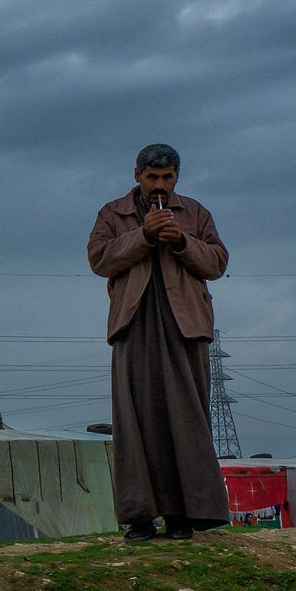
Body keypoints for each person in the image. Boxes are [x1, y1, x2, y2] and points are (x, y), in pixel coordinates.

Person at [88, 143, 232, 541]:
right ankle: (139, 518)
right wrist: (144, 236)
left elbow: (217, 263)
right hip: (133, 325)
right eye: (153, 177)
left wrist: (182, 241)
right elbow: (99, 259)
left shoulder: (195, 213)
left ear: (176, 178)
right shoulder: (111, 214)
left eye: (168, 178)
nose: (160, 185)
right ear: (137, 175)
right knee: (135, 420)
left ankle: (182, 515)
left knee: (185, 420)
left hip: (185, 326)